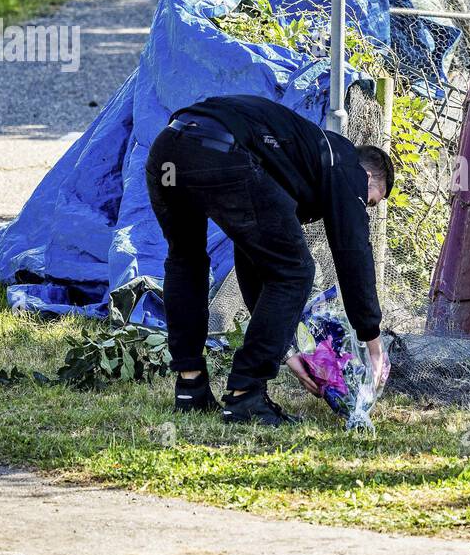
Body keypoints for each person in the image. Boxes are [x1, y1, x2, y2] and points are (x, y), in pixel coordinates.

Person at [145, 94, 393, 426]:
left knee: (185, 260)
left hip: (170, 150)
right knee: (296, 270)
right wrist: (372, 341)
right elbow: (353, 252)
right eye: (370, 201)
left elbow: (255, 263)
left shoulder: (291, 159)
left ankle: (190, 386)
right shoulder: (347, 165)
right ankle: (245, 396)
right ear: (368, 180)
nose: (364, 207)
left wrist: (286, 351)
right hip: (219, 150)